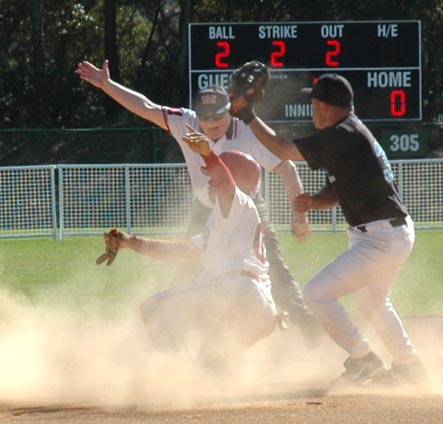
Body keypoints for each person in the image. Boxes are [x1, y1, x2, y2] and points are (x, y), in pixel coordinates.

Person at [76, 60, 321, 346]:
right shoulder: (187, 122)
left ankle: (311, 336)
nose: (212, 125)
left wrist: (300, 215)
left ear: (229, 111)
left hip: (247, 204)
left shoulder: (247, 131)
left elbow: (288, 168)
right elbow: (147, 107)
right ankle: (177, 332)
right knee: (188, 270)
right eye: (205, 121)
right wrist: (106, 84)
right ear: (197, 117)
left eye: (218, 119)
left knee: (276, 271)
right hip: (206, 207)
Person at [231, 72, 427, 386]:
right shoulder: (350, 134)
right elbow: (339, 190)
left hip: (380, 239)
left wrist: (247, 115)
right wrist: (314, 203)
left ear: (322, 107)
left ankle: (363, 359)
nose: (311, 110)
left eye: (313, 103)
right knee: (372, 302)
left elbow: (282, 149)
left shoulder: (343, 135)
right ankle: (408, 365)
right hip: (390, 232)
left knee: (316, 294)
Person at [97, 137, 278, 373]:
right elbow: (183, 252)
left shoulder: (239, 203)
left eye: (214, 176)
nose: (211, 182)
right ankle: (214, 382)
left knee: (154, 307)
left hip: (235, 290)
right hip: (261, 310)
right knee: (210, 364)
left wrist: (209, 155)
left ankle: (176, 377)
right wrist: (132, 242)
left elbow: (225, 184)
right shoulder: (228, 221)